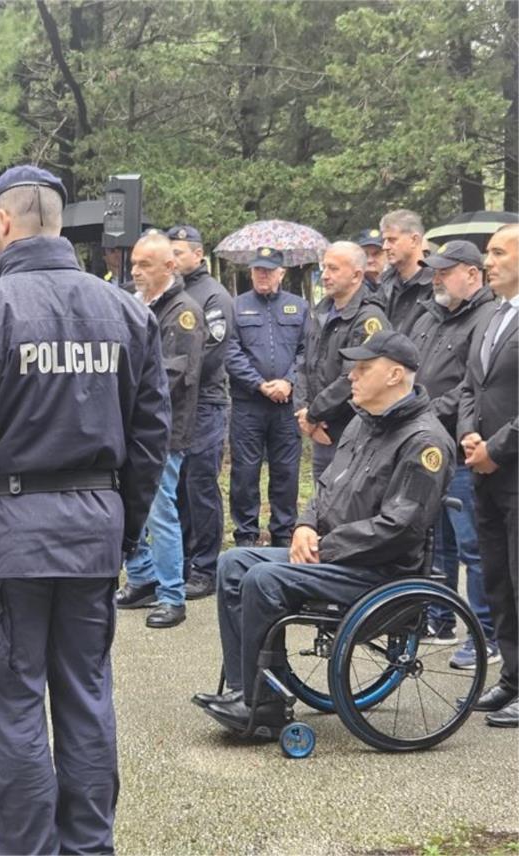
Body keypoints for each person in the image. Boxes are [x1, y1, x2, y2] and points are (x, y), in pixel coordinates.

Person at [0, 165, 170, 853]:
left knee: (15, 704)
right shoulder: (128, 313)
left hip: (7, 540)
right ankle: (88, 846)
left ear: (2, 223)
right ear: (55, 222)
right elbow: (150, 442)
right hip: (90, 533)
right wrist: (122, 530)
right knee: (85, 696)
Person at [195, 331, 454, 736]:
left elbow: (400, 528)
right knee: (233, 562)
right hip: (337, 558)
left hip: (379, 572)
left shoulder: (424, 441)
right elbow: (325, 488)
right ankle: (246, 690)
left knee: (263, 578)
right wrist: (304, 525)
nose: (352, 376)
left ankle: (264, 705)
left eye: (364, 368)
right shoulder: (362, 424)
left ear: (394, 375)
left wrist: (324, 547)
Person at [411, 241, 500, 667]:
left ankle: (486, 634)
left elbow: (471, 387)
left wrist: (422, 411)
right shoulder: (431, 315)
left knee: (473, 545)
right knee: (438, 541)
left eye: (445, 271)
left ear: (471, 273)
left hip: (465, 447)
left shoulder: (487, 317)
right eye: (434, 271)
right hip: (431, 448)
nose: (437, 279)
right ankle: (440, 619)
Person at [116, 231, 204, 628]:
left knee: (159, 510)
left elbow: (171, 376)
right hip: (129, 424)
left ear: (169, 267)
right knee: (124, 502)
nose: (135, 271)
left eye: (145, 264)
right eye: (134, 263)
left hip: (163, 430)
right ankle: (142, 578)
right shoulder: (135, 304)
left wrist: (121, 395)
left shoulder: (184, 312)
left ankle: (172, 594)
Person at [458, 224, 519, 728]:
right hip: (485, 473)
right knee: (498, 579)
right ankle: (513, 677)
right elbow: (468, 386)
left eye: (498, 252)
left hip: (514, 469)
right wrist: (468, 436)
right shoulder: (490, 316)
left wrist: (496, 449)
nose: (488, 261)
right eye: (487, 253)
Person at [167, 225, 234, 600]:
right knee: (178, 486)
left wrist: (172, 378)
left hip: (205, 402)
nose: (173, 259)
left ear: (198, 254)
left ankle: (206, 568)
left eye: (178, 252)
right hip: (177, 404)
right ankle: (182, 562)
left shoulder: (213, 296)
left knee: (201, 485)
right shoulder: (174, 294)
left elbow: (211, 355)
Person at [225, 246, 308, 548]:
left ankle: (283, 534)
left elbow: (306, 351)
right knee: (245, 473)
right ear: (251, 272)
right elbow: (230, 352)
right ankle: (246, 535)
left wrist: (289, 382)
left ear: (281, 273)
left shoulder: (299, 307)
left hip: (286, 406)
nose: (263, 275)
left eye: (269, 270)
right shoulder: (236, 307)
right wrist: (260, 385)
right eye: (258, 270)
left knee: (286, 472)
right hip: (249, 404)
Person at [295, 241, 389, 481]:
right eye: (324, 267)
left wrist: (313, 414)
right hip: (321, 430)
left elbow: (353, 377)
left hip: (352, 432)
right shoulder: (322, 312)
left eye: (334, 269)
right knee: (321, 500)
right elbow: (305, 363)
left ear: (356, 275)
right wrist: (303, 411)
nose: (325, 275)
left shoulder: (368, 318)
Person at [378, 209, 433, 335]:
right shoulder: (385, 283)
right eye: (384, 240)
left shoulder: (436, 283)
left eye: (392, 240)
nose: (385, 247)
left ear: (414, 240)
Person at [355, 228, 386, 293]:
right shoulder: (351, 287)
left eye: (376, 254)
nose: (370, 260)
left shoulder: (398, 284)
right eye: (365, 254)